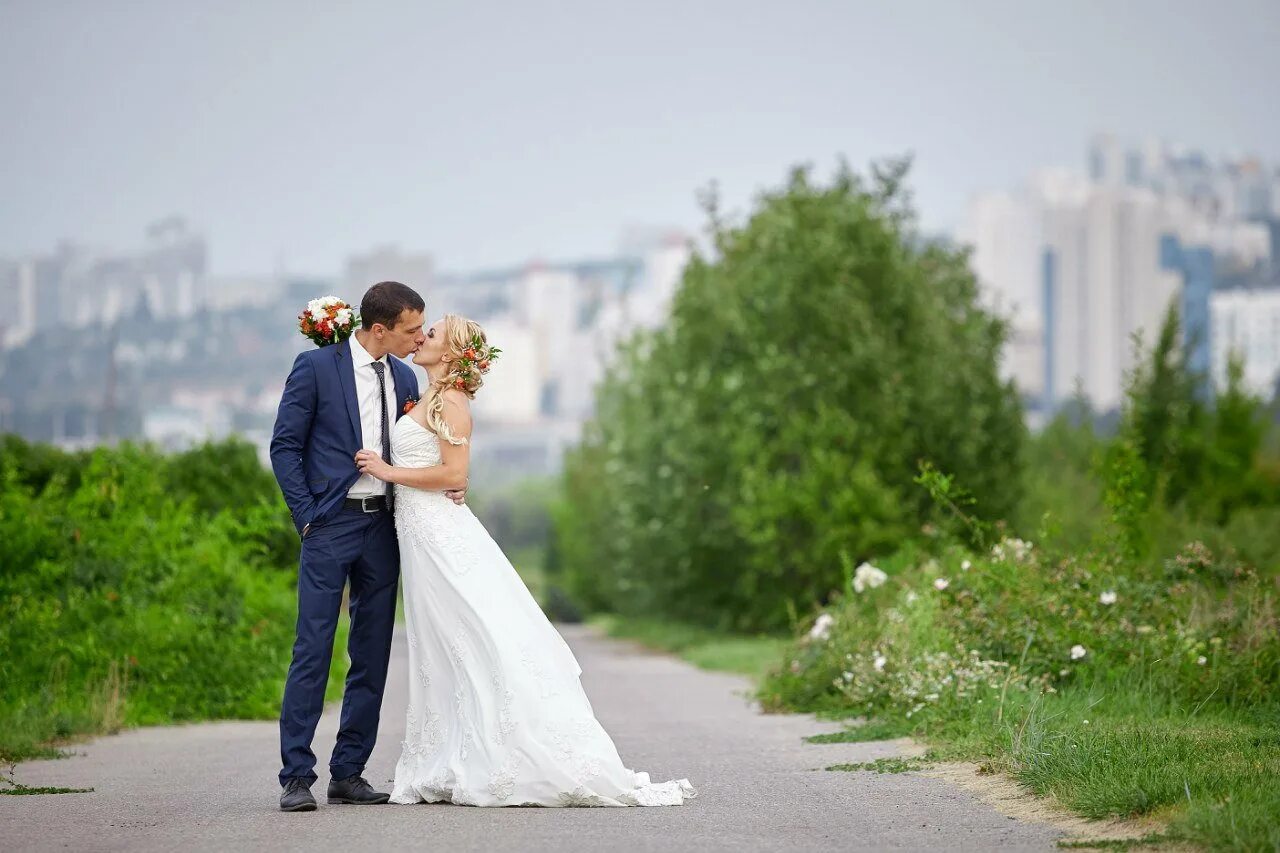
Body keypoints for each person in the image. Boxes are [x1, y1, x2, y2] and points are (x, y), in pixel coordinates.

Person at [354, 314, 696, 807]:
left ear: (450, 354)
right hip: (420, 536)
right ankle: (452, 755)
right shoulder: (426, 395)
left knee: (475, 638)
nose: (423, 336)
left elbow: (453, 472)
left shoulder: (451, 401)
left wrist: (388, 471)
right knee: (444, 647)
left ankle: (502, 754)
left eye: (433, 334)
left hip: (441, 536)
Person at [269, 282, 465, 812]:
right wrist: (306, 517)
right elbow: (284, 445)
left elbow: (423, 443)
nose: (417, 337)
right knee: (312, 648)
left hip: (383, 527)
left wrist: (451, 479)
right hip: (328, 526)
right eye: (410, 330)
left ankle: (348, 772)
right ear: (379, 329)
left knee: (372, 653)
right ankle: (296, 777)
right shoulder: (315, 368)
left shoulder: (404, 376)